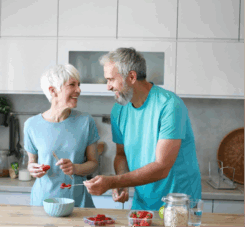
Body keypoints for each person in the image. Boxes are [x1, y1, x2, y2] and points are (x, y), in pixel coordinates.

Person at [83, 48, 202, 211]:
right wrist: (122, 182)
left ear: (131, 77)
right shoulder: (119, 110)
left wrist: (113, 182)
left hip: (178, 204)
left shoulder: (170, 105)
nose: (108, 87)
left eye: (111, 79)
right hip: (142, 203)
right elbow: (121, 155)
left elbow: (162, 167)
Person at [24, 64, 100, 207]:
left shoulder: (86, 121)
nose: (79, 90)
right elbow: (31, 162)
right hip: (43, 203)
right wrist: (33, 168)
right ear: (53, 91)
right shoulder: (31, 125)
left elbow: (94, 163)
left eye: (78, 84)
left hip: (78, 203)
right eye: (72, 85)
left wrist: (75, 168)